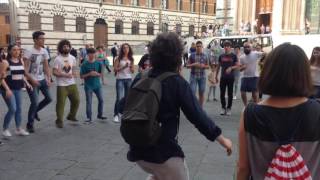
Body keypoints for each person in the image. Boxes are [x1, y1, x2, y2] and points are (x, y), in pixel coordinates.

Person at [126, 32, 232, 180]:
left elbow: (123, 104)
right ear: (176, 57)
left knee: (158, 175)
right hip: (163, 152)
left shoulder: (141, 76)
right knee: (171, 172)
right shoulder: (176, 82)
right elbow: (197, 115)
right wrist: (222, 139)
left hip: (137, 149)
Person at [237, 43, 320, 179]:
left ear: (269, 72)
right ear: (305, 74)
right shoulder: (317, 112)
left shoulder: (249, 114)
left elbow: (243, 167)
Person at [23, 31, 52, 133]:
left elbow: (46, 66)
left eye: (44, 38)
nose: (43, 40)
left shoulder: (44, 51)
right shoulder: (29, 51)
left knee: (49, 99)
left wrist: (48, 79)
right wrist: (32, 80)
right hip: (31, 80)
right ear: (35, 39)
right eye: (41, 38)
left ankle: (35, 112)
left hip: (42, 79)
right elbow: (25, 70)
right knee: (34, 102)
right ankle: (30, 124)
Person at [0, 44, 32, 137]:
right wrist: (7, 89)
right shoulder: (6, 62)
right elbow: (1, 78)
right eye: (14, 50)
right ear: (9, 51)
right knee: (12, 109)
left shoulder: (20, 61)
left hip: (18, 89)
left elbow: (21, 74)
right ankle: (5, 129)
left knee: (19, 109)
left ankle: (18, 129)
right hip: (7, 89)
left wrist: (27, 83)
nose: (17, 51)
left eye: (18, 50)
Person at [52, 39, 80, 128]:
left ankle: (71, 115)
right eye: (64, 46)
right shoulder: (57, 59)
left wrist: (75, 73)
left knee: (76, 100)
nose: (66, 48)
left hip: (72, 83)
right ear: (61, 48)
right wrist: (64, 75)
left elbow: (74, 68)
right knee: (61, 103)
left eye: (67, 46)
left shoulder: (72, 58)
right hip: (61, 85)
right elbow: (54, 72)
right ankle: (59, 120)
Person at [80, 48, 107, 123]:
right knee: (89, 102)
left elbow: (101, 74)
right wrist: (89, 74)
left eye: (93, 53)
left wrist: (97, 74)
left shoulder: (99, 63)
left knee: (101, 100)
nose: (92, 55)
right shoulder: (84, 64)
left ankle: (100, 115)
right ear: (87, 54)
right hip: (88, 86)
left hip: (97, 85)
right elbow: (81, 76)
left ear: (95, 54)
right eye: (90, 53)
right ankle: (89, 118)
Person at [216, 41, 239, 116]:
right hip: (223, 77)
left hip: (230, 78)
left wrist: (231, 68)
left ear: (230, 47)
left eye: (227, 46)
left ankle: (229, 108)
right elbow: (218, 66)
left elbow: (237, 65)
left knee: (230, 94)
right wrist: (216, 76)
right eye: (225, 46)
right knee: (222, 94)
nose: (226, 47)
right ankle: (223, 107)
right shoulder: (221, 56)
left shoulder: (233, 56)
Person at [113, 43, 134, 123]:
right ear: (122, 49)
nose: (126, 49)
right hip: (120, 79)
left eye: (127, 48)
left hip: (129, 79)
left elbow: (132, 71)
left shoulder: (131, 58)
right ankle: (116, 114)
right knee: (119, 97)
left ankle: (123, 113)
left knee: (127, 98)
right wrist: (123, 67)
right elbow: (115, 69)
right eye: (124, 48)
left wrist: (131, 68)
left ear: (129, 49)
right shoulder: (118, 58)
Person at [239, 42, 265, 106]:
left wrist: (264, 62)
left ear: (251, 48)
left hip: (254, 76)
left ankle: (256, 106)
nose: (246, 48)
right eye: (245, 47)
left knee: (254, 93)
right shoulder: (242, 57)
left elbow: (266, 54)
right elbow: (240, 69)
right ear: (243, 48)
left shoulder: (255, 54)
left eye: (248, 47)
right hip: (244, 77)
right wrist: (243, 67)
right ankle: (246, 106)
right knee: (242, 92)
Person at [186, 41, 210, 107]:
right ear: (195, 47)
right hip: (193, 76)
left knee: (201, 93)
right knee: (192, 93)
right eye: (197, 46)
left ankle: (200, 108)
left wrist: (203, 66)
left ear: (202, 47)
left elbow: (208, 66)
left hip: (202, 76)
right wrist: (194, 64)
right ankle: (194, 107)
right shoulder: (192, 55)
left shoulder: (205, 55)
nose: (199, 47)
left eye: (200, 46)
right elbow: (187, 66)